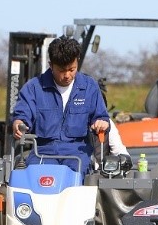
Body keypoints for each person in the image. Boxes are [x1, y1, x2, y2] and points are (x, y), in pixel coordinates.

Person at [11, 36, 109, 179]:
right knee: (36, 178)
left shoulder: (90, 87)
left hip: (77, 153)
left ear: (78, 62)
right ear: (51, 65)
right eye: (62, 70)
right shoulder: (34, 88)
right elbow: (22, 116)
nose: (67, 75)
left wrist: (101, 122)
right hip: (43, 152)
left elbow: (101, 117)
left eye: (72, 69)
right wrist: (18, 124)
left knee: (75, 178)